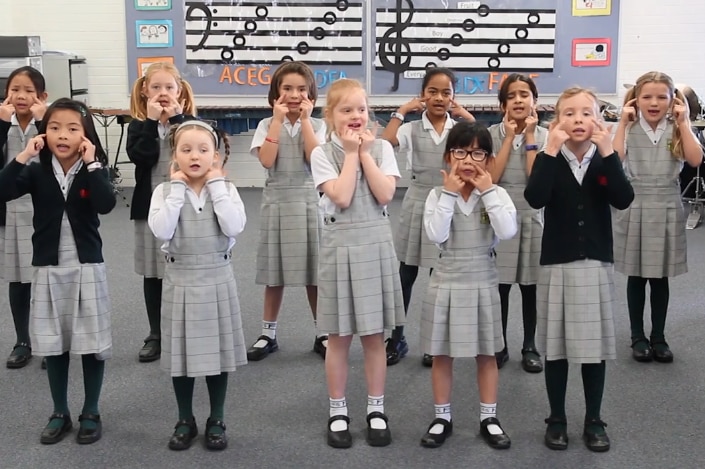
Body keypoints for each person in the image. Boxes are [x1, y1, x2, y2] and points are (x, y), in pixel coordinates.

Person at [0, 98, 116, 445]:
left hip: (86, 265)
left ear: (85, 135)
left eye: (71, 128)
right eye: (53, 128)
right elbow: (3, 190)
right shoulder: (35, 168)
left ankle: (91, 410)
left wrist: (92, 163)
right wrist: (22, 156)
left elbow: (106, 204)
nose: (61, 135)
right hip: (49, 265)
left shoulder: (93, 167)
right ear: (43, 133)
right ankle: (60, 411)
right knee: (54, 344)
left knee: (92, 343)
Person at [525, 87, 634, 452]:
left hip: (595, 263)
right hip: (557, 262)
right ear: (556, 121)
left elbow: (622, 198)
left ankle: (594, 419)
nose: (578, 120)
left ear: (598, 120)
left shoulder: (605, 159)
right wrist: (550, 150)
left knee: (593, 347)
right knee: (556, 347)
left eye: (586, 113)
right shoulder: (549, 158)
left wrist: (608, 151)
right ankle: (556, 417)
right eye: (568, 113)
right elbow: (535, 197)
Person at [310, 79, 404, 449]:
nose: (355, 116)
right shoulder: (321, 154)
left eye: (361, 109)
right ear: (330, 116)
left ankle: (376, 408)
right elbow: (343, 197)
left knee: (373, 336)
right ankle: (338, 410)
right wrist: (350, 154)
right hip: (340, 249)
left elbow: (385, 193)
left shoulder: (381, 148)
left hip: (375, 247)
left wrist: (365, 153)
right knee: (339, 337)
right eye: (346, 110)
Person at [148, 119, 247, 451]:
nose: (195, 156)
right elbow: (162, 231)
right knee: (183, 357)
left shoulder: (227, 190)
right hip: (181, 282)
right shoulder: (163, 191)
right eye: (186, 149)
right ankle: (185, 418)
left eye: (203, 150)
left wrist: (217, 184)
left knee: (218, 356)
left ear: (215, 155)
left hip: (217, 279)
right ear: (174, 154)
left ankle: (216, 417)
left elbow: (235, 225)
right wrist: (177, 190)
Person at [419, 122, 517, 449]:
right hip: (446, 280)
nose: (468, 160)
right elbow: (435, 234)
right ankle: (442, 417)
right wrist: (448, 194)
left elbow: (506, 230)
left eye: (478, 152)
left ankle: (489, 417)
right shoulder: (437, 194)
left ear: (488, 159)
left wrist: (488, 191)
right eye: (461, 151)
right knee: (442, 354)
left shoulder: (497, 194)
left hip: (483, 279)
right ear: (449, 156)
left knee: (486, 353)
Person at [381, 67, 475, 366]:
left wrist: (467, 117)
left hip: (448, 203)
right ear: (422, 95)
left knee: (440, 278)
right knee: (405, 275)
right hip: (417, 202)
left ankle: (435, 343)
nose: (439, 98)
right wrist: (401, 111)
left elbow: (480, 142)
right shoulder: (410, 128)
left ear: (454, 97)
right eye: (432, 91)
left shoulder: (457, 130)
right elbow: (383, 144)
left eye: (446, 92)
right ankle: (396, 337)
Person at [613, 72, 704, 363]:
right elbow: (614, 160)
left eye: (662, 97)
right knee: (637, 275)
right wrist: (621, 124)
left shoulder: (676, 127)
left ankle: (659, 336)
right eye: (647, 97)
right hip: (635, 204)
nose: (654, 102)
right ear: (636, 100)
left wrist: (685, 121)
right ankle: (637, 336)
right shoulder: (629, 127)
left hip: (666, 204)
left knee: (660, 276)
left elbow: (695, 159)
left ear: (672, 100)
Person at [247, 61, 328, 361]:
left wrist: (305, 121)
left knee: (314, 273)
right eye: (287, 89)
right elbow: (267, 161)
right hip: (277, 202)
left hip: (309, 201)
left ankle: (323, 332)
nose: (294, 95)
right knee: (274, 273)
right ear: (275, 95)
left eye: (301, 89)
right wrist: (278, 121)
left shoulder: (319, 125)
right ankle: (268, 333)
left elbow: (315, 160)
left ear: (311, 95)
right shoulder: (266, 126)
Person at [126, 62, 196, 363]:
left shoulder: (189, 123)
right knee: (153, 273)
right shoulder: (137, 126)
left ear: (179, 90)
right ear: (145, 91)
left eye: (169, 87)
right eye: (156, 87)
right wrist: (152, 122)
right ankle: (156, 334)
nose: (163, 93)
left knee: (184, 271)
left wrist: (177, 119)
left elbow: (194, 151)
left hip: (185, 209)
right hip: (149, 207)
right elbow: (142, 157)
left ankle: (187, 331)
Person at [487, 73, 547, 373]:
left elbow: (536, 183)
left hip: (532, 215)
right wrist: (510, 138)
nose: (519, 100)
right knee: (500, 286)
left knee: (530, 286)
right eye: (512, 96)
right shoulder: (491, 135)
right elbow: (492, 178)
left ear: (534, 101)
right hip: (499, 214)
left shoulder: (548, 136)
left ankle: (530, 345)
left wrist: (532, 137)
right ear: (503, 104)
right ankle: (499, 343)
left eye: (525, 94)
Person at [0, 66, 48, 368]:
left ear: (41, 96)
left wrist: (44, 120)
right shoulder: (3, 121)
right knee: (18, 279)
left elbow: (56, 158)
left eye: (29, 90)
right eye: (15, 89)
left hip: (44, 209)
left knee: (46, 279)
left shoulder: (49, 122)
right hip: (11, 211)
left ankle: (50, 342)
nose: (21, 96)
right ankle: (22, 340)